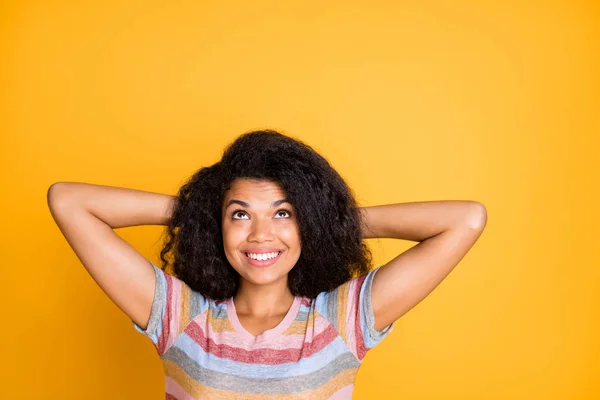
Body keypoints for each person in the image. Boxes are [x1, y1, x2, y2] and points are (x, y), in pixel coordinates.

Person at [47, 129, 487, 399]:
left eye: (283, 213)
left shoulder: (339, 321)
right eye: (240, 214)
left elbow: (465, 219)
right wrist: (203, 207)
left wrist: (326, 217)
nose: (260, 234)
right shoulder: (180, 317)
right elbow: (68, 201)